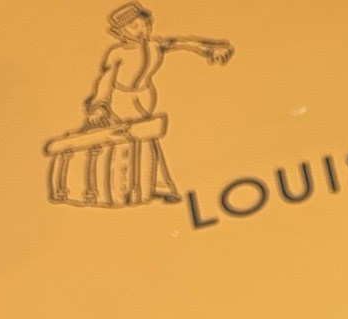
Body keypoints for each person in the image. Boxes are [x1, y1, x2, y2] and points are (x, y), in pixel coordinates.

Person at [46, 5, 232, 207]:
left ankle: (152, 186)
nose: (141, 29)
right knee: (128, 140)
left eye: (144, 24)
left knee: (146, 138)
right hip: (120, 98)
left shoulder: (155, 45)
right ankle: (129, 188)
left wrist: (212, 49)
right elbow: (105, 80)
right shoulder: (117, 53)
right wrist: (100, 105)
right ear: (120, 31)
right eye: (133, 26)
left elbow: (185, 42)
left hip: (143, 97)